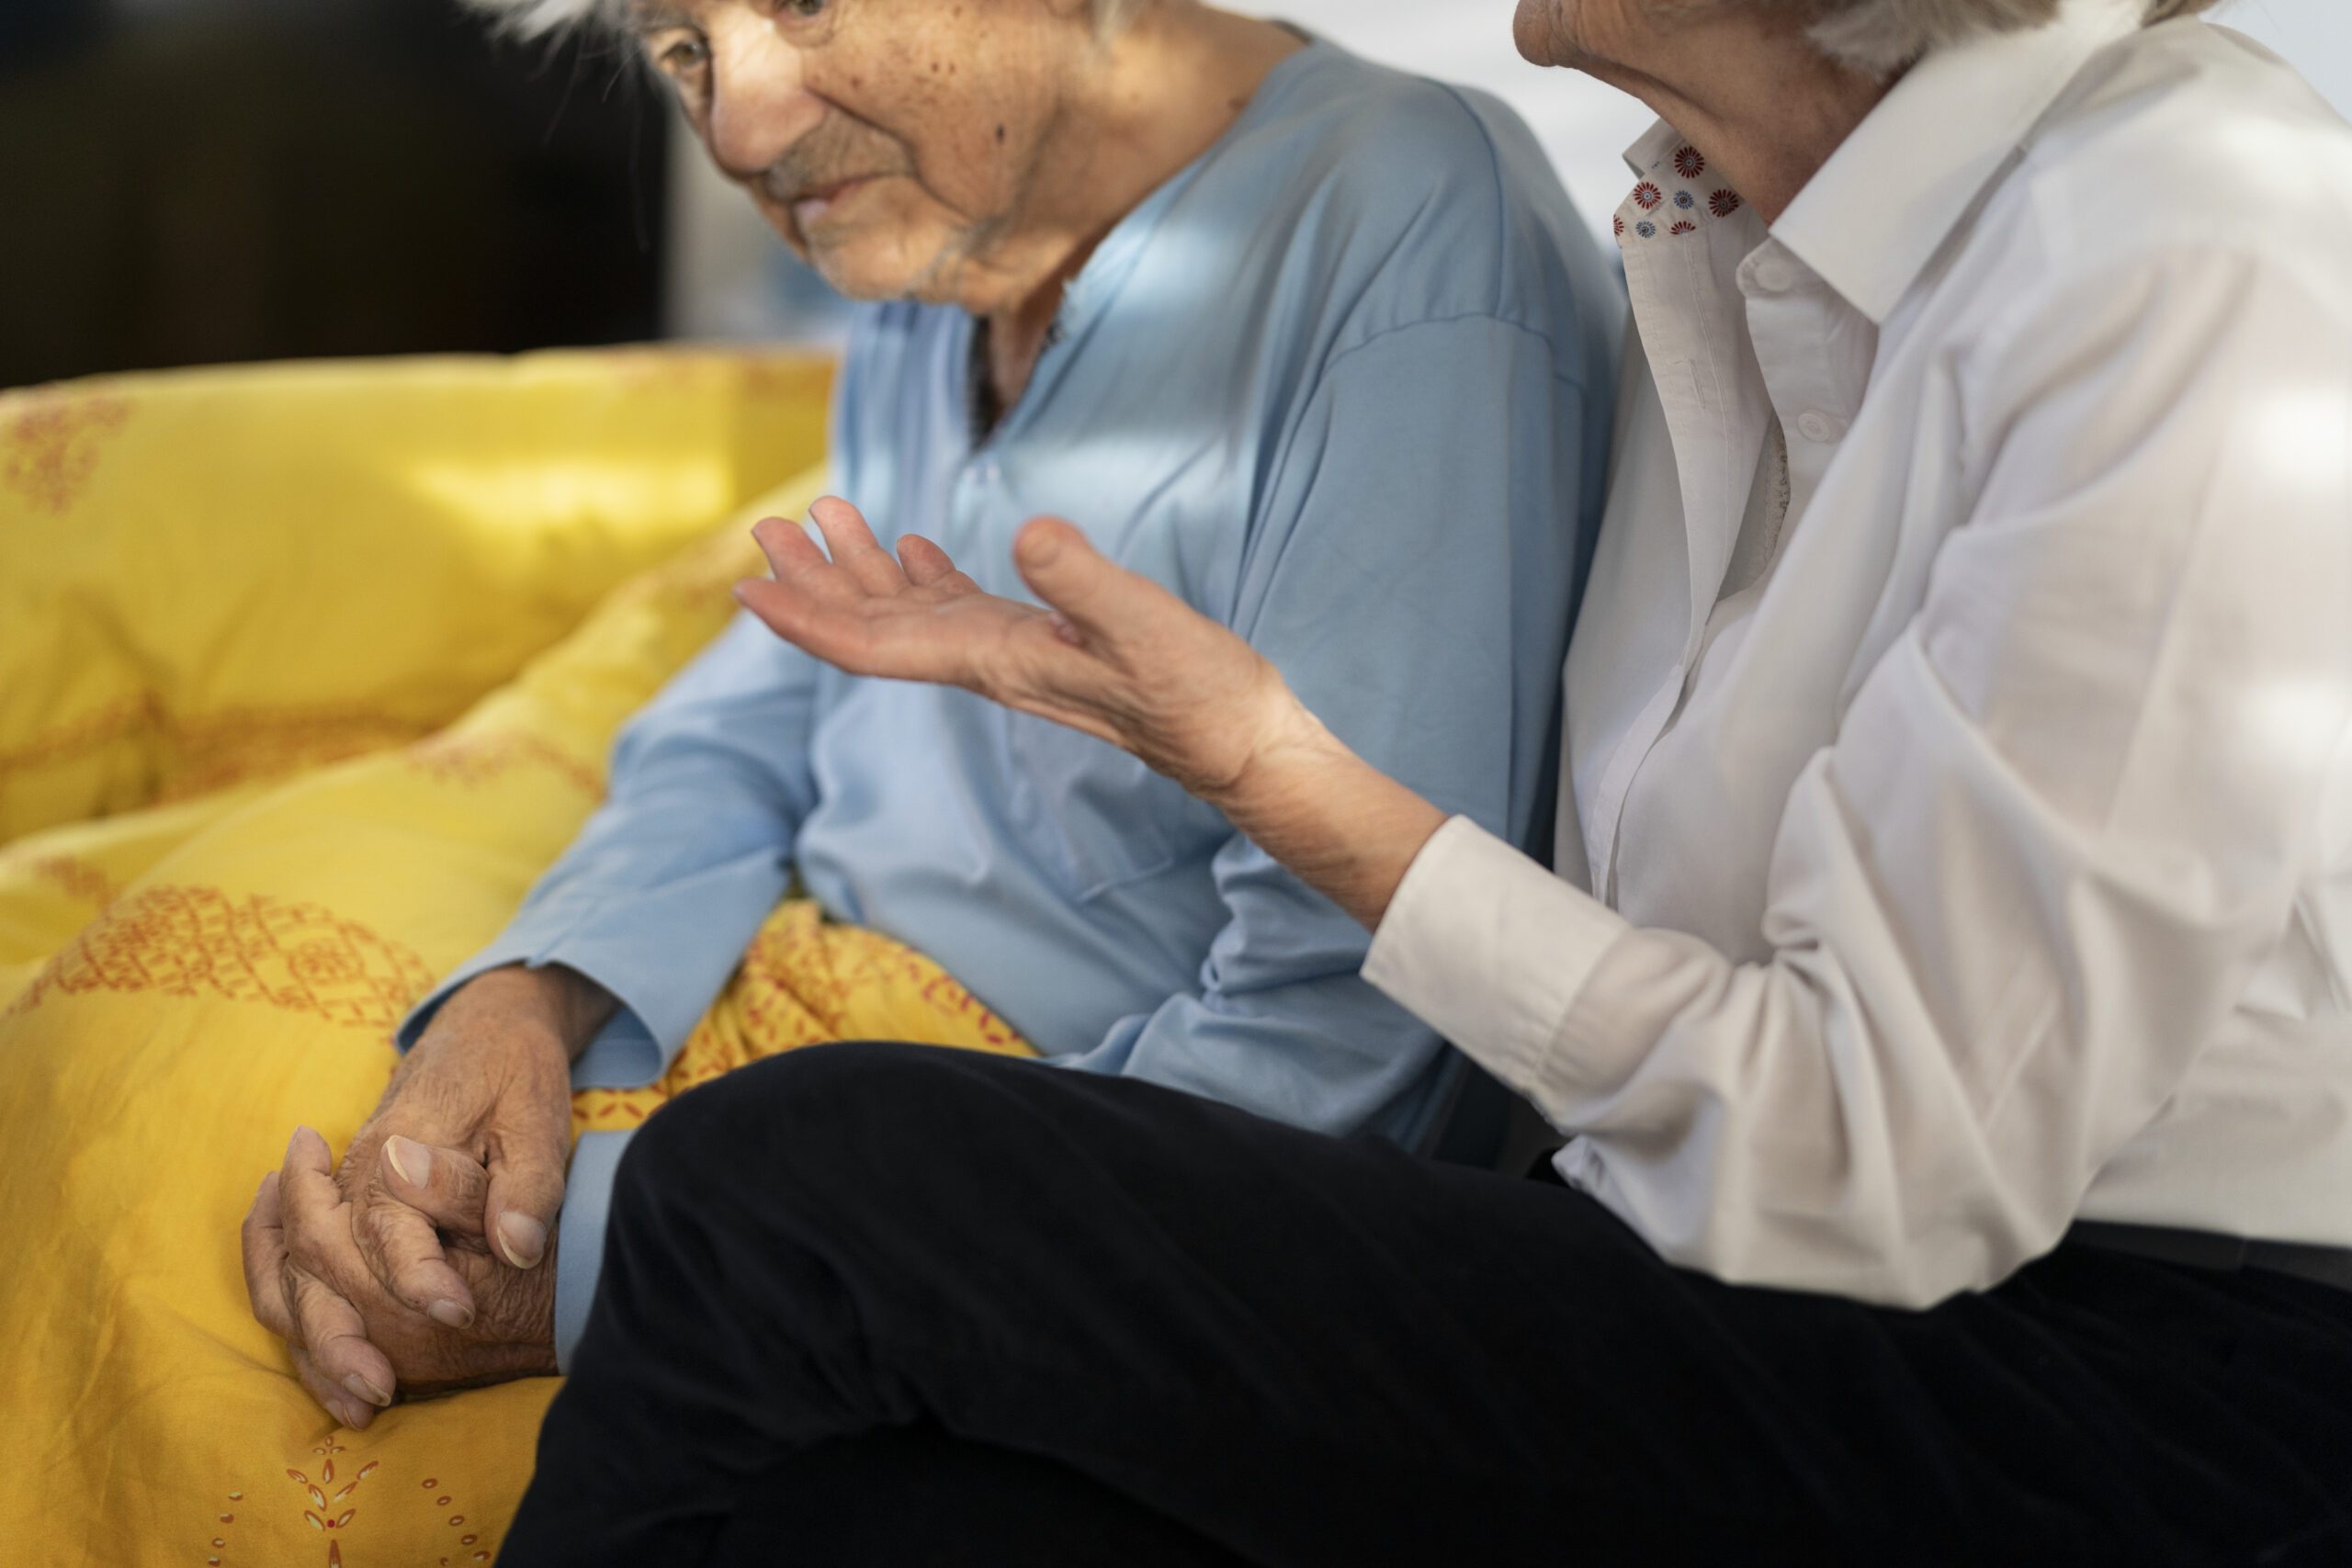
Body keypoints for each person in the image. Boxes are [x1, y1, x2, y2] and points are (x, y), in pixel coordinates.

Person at [495, 0, 2352, 1562]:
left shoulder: (2178, 228)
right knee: (863, 1506)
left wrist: (1284, 779)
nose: (735, 105)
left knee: (793, 1179)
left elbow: (1879, 1164)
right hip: (1731, 1249)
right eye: (676, 39)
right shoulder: (1719, 233)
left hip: (2138, 1360)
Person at [236, 0, 1620, 1429]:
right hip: (806, 1077)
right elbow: (776, 689)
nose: (740, 130)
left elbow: (1349, 1071)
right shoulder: (934, 216)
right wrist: (524, 997)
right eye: (682, 48)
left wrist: (600, 1260)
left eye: (811, 4)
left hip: (1028, 1201)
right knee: (215, 1145)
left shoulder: (1406, 227)